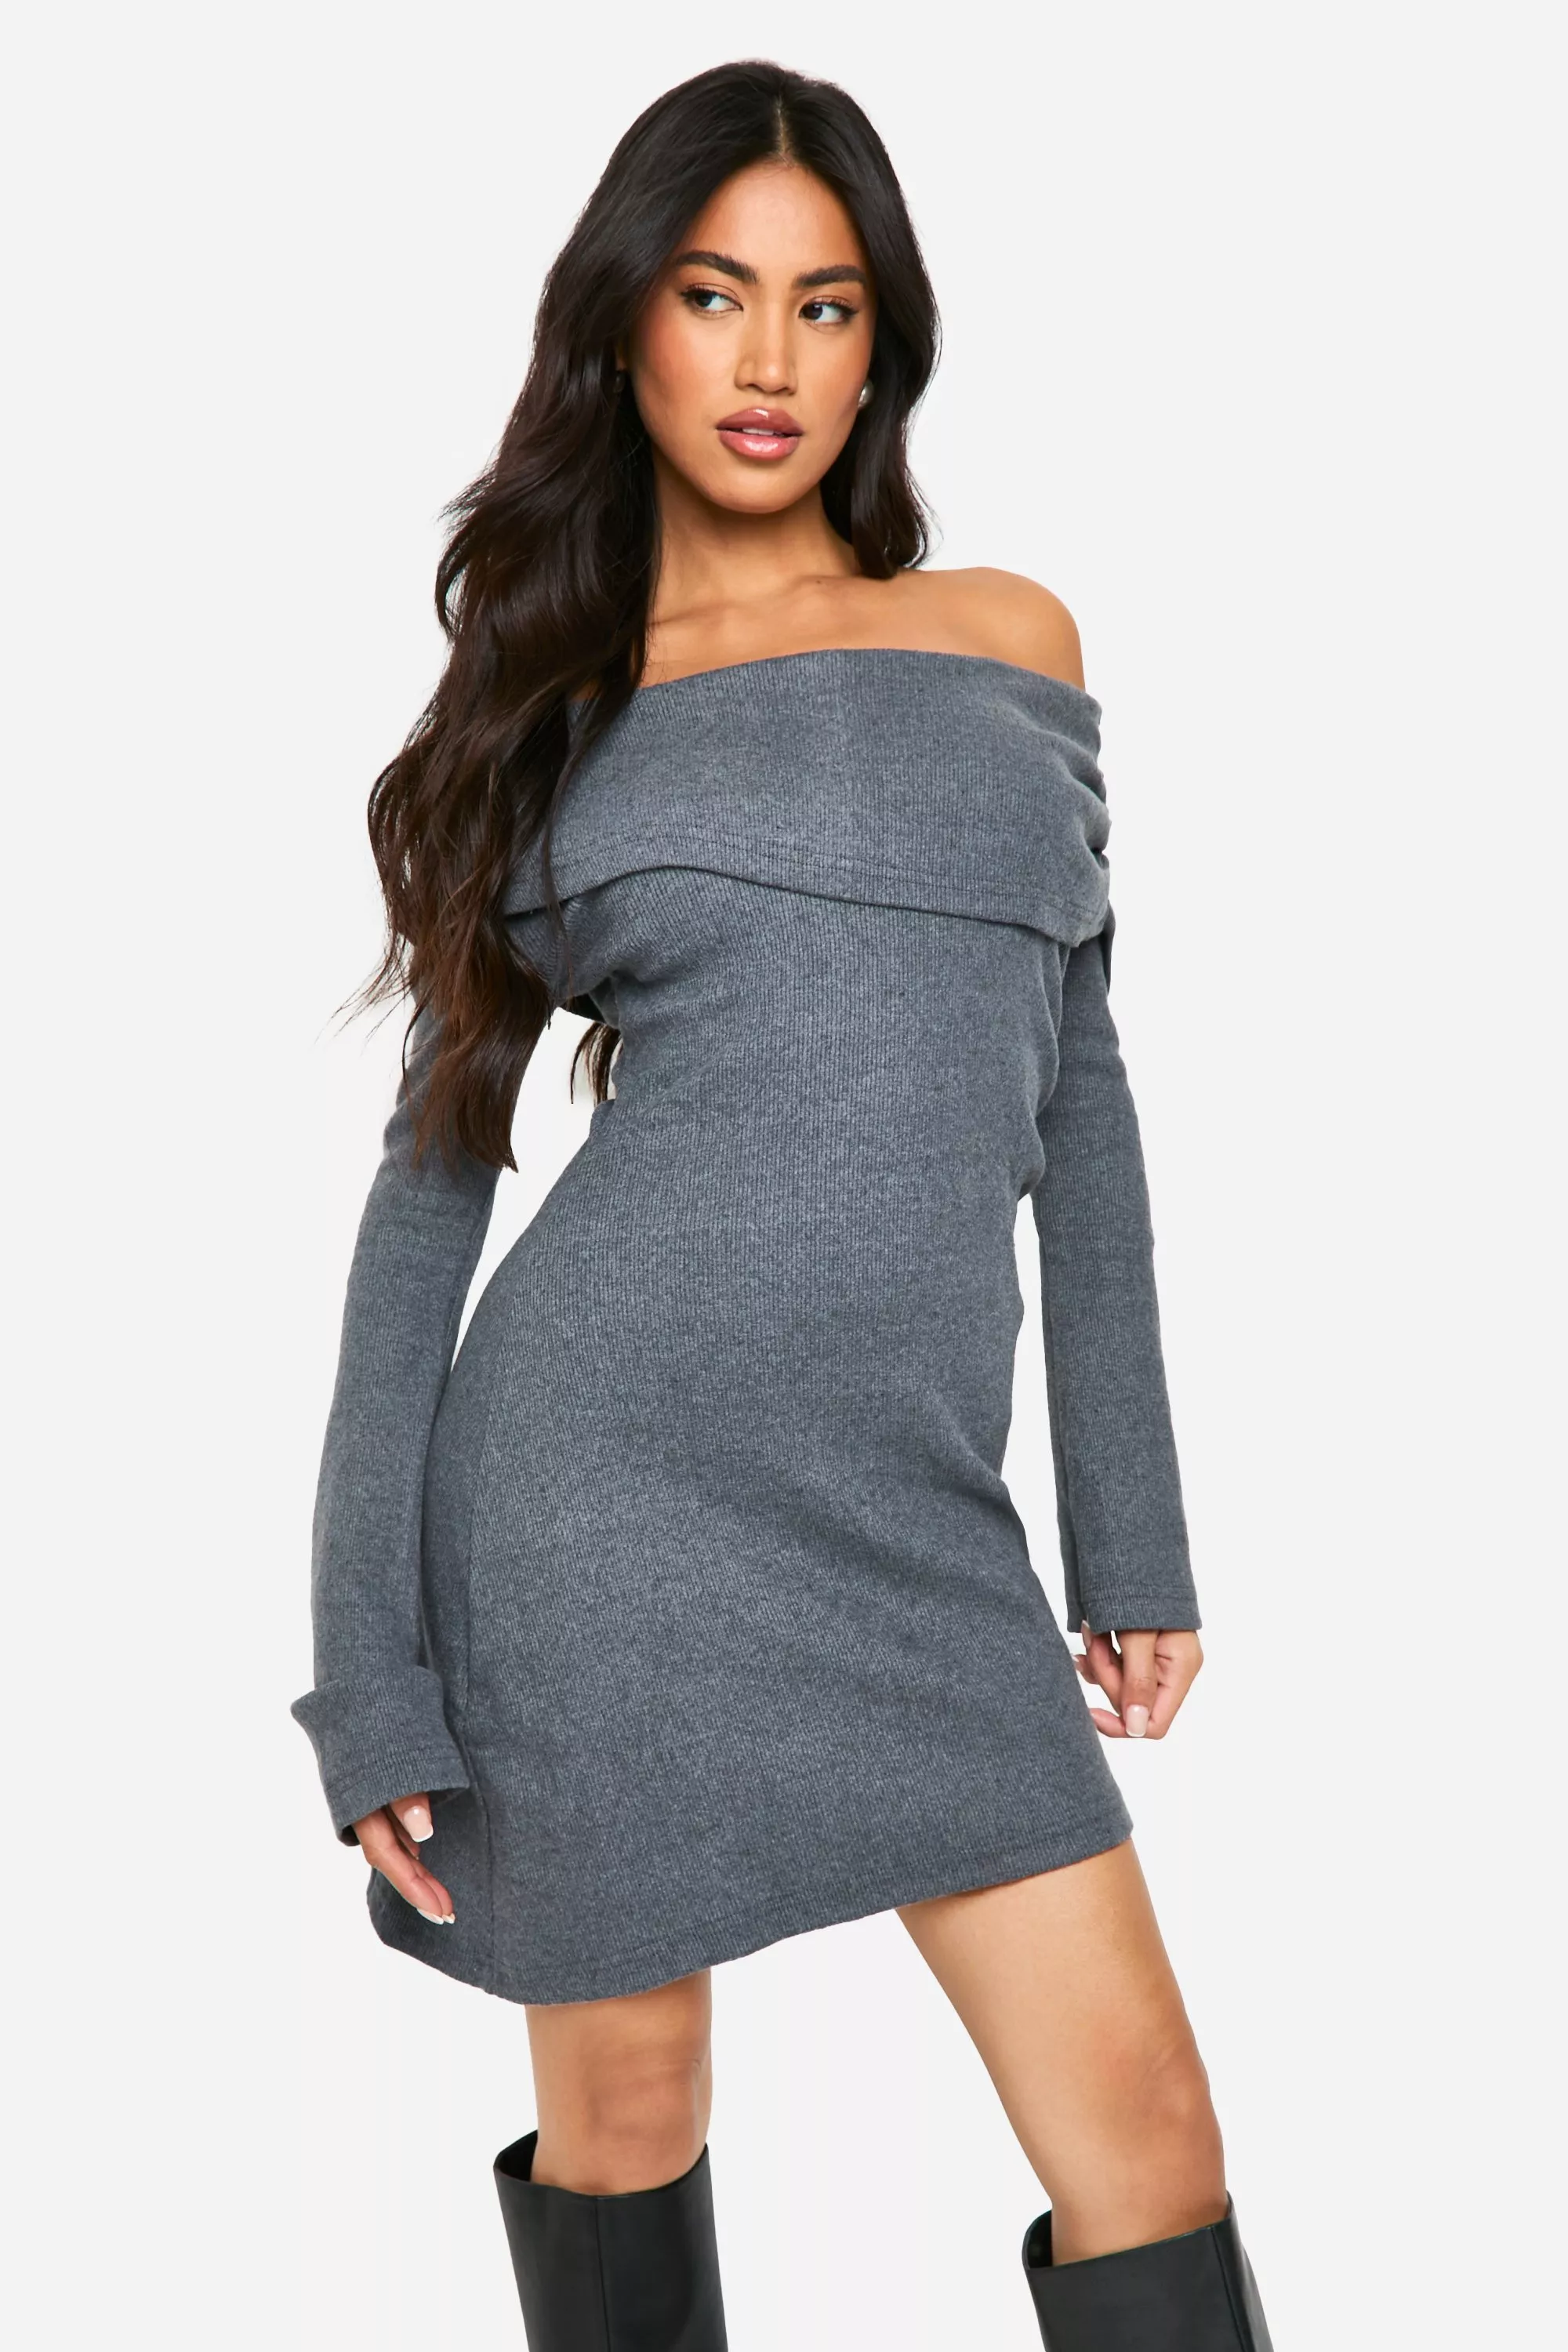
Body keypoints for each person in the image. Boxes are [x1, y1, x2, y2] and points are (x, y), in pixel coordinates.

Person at [289, 57, 1276, 2351]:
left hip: (918, 1524)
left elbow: (1084, 1099)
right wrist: (369, 1670)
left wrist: (1129, 1530)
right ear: (625, 322)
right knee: (628, 2114)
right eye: (716, 294)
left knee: (1148, 2143)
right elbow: (428, 1206)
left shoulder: (1011, 641)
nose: (767, 360)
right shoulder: (554, 707)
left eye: (825, 307)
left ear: (879, 346)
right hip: (596, 1505)